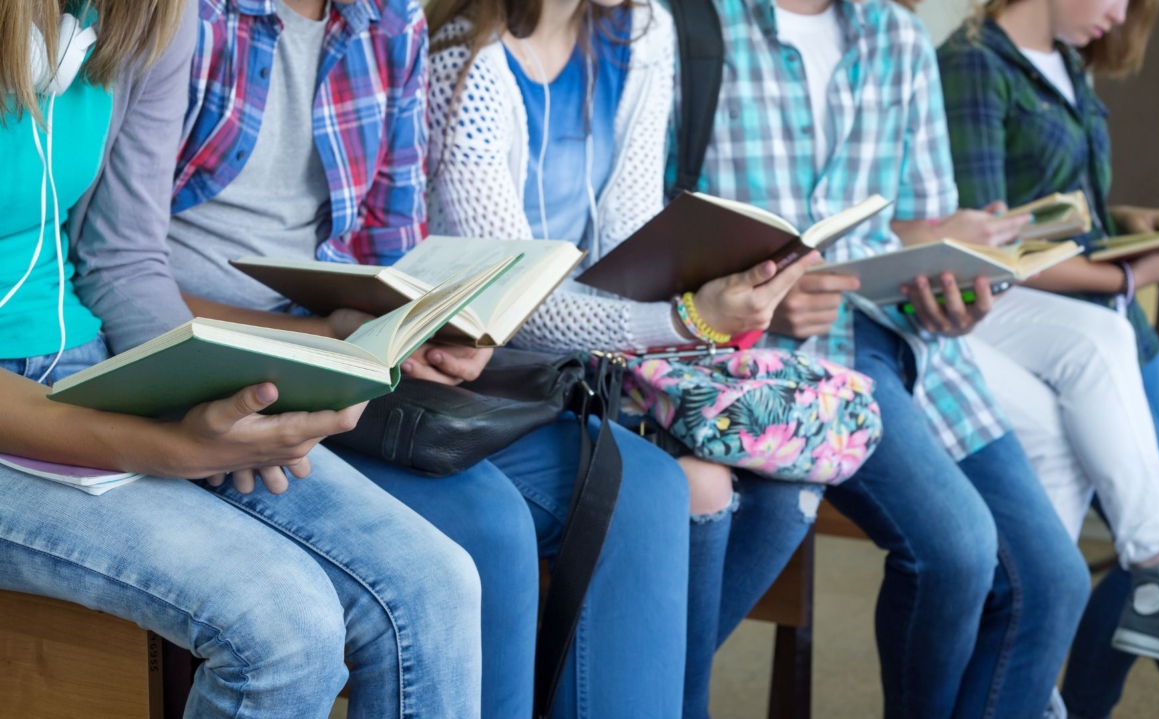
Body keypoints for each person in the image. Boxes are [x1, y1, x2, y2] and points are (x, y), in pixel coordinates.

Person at [164, 0, 692, 716]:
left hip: (342, 347)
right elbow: (120, 265)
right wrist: (329, 333)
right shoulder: (191, 21)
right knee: (489, 527)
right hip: (227, 353)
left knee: (646, 485)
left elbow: (390, 246)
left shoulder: (387, 19)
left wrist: (429, 323)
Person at [0, 2, 483, 718]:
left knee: (435, 580)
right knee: (285, 626)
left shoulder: (147, 17)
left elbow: (124, 262)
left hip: (82, 363)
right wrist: (165, 445)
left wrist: (235, 393)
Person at [668, 0, 1093, 716]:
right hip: (771, 359)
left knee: (1053, 581)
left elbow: (918, 222)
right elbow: (640, 225)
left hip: (900, 340)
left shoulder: (895, 34)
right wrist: (757, 299)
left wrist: (950, 288)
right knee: (956, 550)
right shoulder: (688, 23)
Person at [424, 0, 842, 715]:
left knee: (784, 487)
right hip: (489, 364)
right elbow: (515, 298)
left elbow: (628, 238)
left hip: (602, 354)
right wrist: (687, 320)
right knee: (700, 483)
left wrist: (713, 298)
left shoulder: (640, 29)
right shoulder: (463, 58)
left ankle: (645, 686)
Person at [938, 0, 1159, 714]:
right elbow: (989, 248)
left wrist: (1124, 224)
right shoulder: (973, 64)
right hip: (1060, 319)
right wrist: (1127, 275)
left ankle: (1059, 694)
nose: (1121, 16)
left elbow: (1059, 210)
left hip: (1112, 326)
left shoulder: (1067, 65)